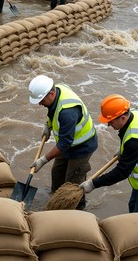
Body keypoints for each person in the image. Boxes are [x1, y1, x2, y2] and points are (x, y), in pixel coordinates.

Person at [80, 94, 138, 213]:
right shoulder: (136, 113)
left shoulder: (135, 141)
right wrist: (124, 151)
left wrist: (93, 184)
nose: (109, 125)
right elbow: (133, 138)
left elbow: (121, 172)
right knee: (133, 208)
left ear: (123, 118)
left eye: (110, 121)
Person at [28, 75, 98, 208]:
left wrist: (43, 160)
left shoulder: (68, 112)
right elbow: (52, 111)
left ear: (51, 94)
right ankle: (56, 202)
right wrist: (48, 125)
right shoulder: (58, 90)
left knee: (72, 184)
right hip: (67, 142)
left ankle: (78, 208)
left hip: (81, 147)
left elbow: (65, 143)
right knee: (57, 174)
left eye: (41, 100)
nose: (39, 103)